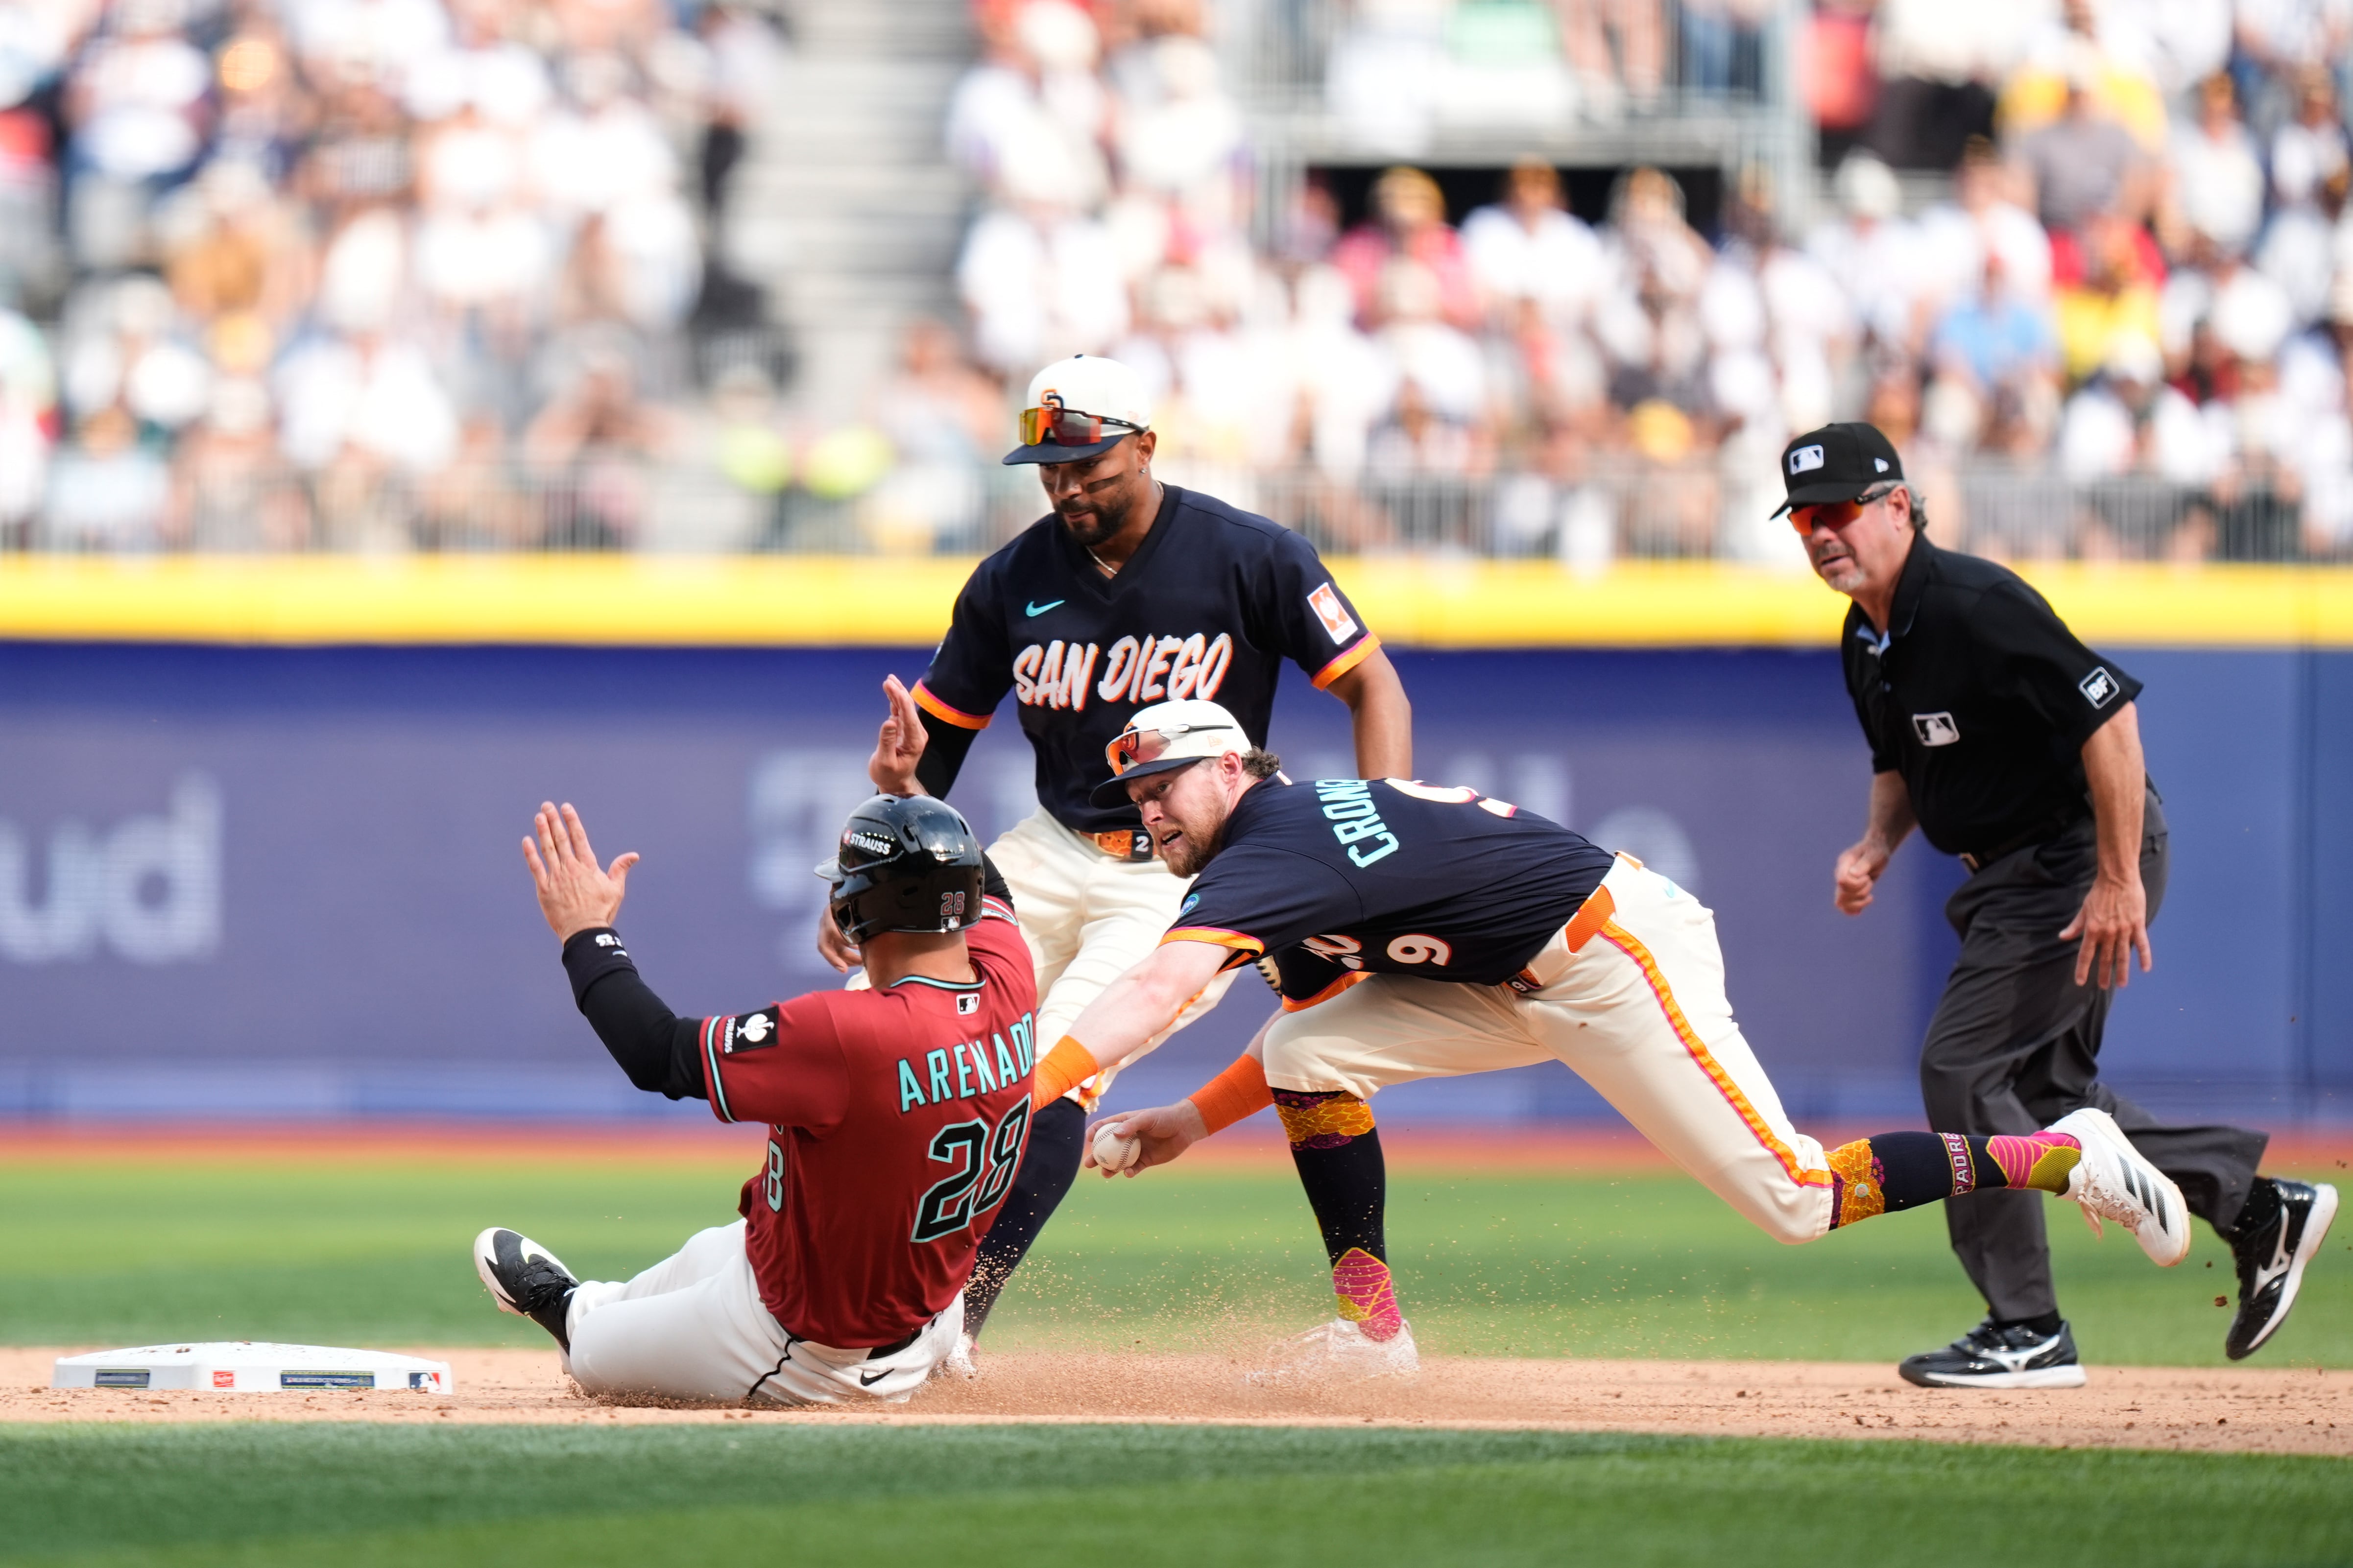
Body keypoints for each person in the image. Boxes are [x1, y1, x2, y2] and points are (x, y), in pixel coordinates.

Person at [1049, 699, 2196, 1386]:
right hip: (1511, 974)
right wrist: (1194, 1119)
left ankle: (2065, 1153)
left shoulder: (1271, 841)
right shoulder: (1285, 842)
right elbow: (1305, 1031)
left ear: (1231, 767)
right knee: (1310, 1057)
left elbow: (1162, 978)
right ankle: (1372, 1332)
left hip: (1613, 955)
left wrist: (1034, 1088)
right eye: (1135, 795)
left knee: (1794, 1196)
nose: (1150, 811)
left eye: (1163, 783)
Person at [830, 353, 1415, 1368]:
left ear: (1144, 445)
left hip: (1179, 870)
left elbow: (1376, 689)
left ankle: (953, 1319)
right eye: (1049, 469)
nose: (1067, 488)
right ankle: (840, 1275)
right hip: (1048, 847)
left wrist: (1380, 835)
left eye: (1088, 465)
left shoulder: (1251, 554)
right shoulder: (1011, 578)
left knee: (1060, 1065)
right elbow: (932, 756)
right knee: (897, 1043)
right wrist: (877, 828)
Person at [1782, 420, 2336, 1384]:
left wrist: (2115, 877)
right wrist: (1874, 845)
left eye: (1835, 509)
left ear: (1897, 506)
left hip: (2070, 855)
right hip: (2011, 869)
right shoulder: (1864, 635)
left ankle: (2025, 1325)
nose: (1819, 532)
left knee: (1957, 1066)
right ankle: (2257, 1208)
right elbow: (1900, 760)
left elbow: (2108, 717)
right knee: (2042, 1096)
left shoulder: (1969, 602)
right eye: (1802, 518)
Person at [473, 791, 1037, 1404]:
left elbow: (657, 1054)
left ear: (854, 909)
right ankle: (588, 1304)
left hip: (815, 1350)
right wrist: (909, 790)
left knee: (592, 1355)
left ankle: (570, 1316)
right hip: (919, 1299)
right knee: (713, 1249)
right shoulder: (1009, 972)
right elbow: (984, 880)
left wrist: (584, 931)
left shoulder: (851, 1033)